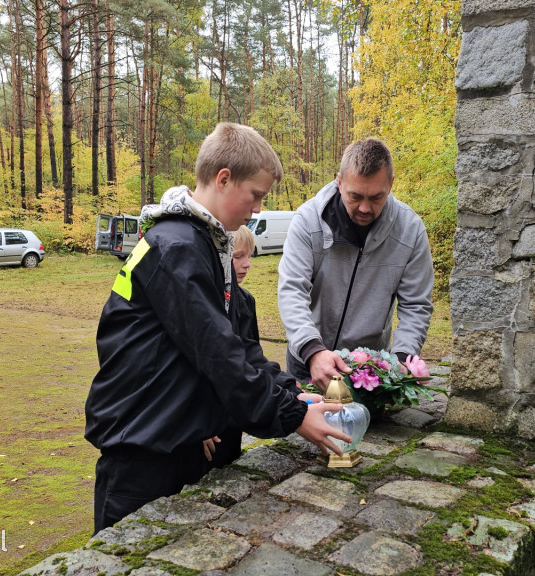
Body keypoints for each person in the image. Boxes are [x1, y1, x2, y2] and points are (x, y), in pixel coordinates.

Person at [85, 122, 350, 535]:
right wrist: (294, 415)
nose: (259, 209)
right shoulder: (177, 247)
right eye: (256, 195)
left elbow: (240, 350)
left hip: (173, 440)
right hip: (142, 452)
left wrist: (290, 391)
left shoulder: (206, 246)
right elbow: (217, 354)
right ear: (224, 179)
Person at [278, 138, 434, 390]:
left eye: (376, 197)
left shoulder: (411, 231)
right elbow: (292, 291)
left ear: (391, 184)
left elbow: (416, 305)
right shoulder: (307, 222)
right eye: (355, 195)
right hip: (309, 360)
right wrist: (312, 350)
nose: (364, 207)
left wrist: (403, 359)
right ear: (339, 182)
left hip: (370, 370)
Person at [201, 225, 311, 468]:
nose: (247, 264)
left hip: (235, 413)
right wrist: (198, 420)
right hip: (203, 420)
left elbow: (253, 358)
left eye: (249, 256)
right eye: (238, 257)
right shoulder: (204, 302)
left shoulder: (245, 300)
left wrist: (291, 392)